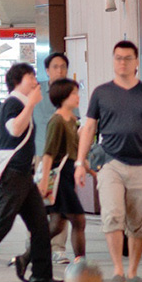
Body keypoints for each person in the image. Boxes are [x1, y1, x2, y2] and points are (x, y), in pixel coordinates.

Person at [77, 39, 142, 282]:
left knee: (138, 221)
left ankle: (133, 271)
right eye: (118, 57)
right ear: (113, 60)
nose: (122, 62)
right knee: (113, 215)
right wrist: (79, 161)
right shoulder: (101, 92)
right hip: (110, 163)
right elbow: (89, 128)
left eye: (128, 58)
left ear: (137, 62)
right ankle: (117, 270)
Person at [0, 61, 57, 282]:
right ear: (18, 81)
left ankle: (41, 273)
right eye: (31, 77)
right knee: (2, 225)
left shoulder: (23, 103)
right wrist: (31, 106)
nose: (36, 82)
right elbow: (14, 129)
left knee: (40, 225)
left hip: (23, 176)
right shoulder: (13, 103)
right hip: (12, 175)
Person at [41, 78, 88, 263]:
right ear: (63, 97)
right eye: (73, 94)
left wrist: (86, 168)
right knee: (78, 220)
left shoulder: (72, 120)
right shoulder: (57, 120)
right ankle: (80, 262)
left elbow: (73, 151)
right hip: (59, 178)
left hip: (68, 175)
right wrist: (44, 181)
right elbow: (48, 154)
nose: (77, 97)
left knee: (56, 226)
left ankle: (26, 257)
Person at [35, 51, 71, 157]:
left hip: (65, 153)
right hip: (41, 151)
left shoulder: (70, 93)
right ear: (47, 71)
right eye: (55, 67)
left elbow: (74, 120)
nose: (59, 71)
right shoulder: (36, 90)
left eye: (63, 67)